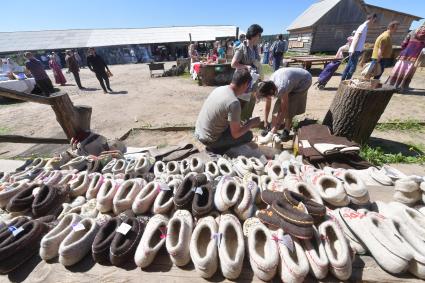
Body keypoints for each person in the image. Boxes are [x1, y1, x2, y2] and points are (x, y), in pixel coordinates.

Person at [195, 69, 260, 153]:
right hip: (209, 140)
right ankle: (219, 149)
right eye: (248, 85)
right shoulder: (234, 103)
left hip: (199, 132)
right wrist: (251, 123)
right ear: (244, 85)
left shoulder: (220, 89)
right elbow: (235, 134)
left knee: (238, 127)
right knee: (248, 135)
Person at [256, 67, 312, 142]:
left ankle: (286, 129)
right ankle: (271, 129)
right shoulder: (267, 85)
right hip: (289, 79)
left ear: (272, 91)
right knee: (278, 106)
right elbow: (268, 105)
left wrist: (275, 128)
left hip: (304, 80)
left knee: (290, 105)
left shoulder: (282, 87)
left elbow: (284, 109)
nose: (268, 98)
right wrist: (266, 121)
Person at [231, 24, 263, 122]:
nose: (260, 38)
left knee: (251, 102)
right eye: (259, 35)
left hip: (252, 80)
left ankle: (245, 121)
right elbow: (233, 64)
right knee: (241, 103)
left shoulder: (254, 47)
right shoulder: (241, 47)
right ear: (253, 35)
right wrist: (246, 66)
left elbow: (256, 62)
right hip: (243, 80)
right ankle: (235, 124)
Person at [387, 23, 425, 91]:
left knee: (398, 69)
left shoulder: (413, 31)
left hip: (404, 54)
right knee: (408, 71)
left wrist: (405, 48)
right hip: (415, 56)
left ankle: (391, 84)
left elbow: (404, 44)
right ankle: (402, 86)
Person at [341, 13, 378, 81]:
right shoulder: (363, 26)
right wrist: (352, 49)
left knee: (349, 66)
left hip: (356, 50)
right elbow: (356, 38)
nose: (374, 22)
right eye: (374, 20)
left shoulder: (365, 26)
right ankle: (346, 81)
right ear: (371, 18)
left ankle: (343, 81)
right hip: (355, 50)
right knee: (353, 67)